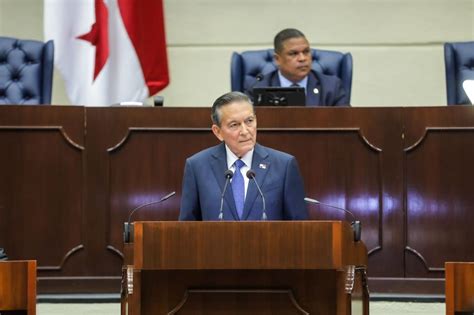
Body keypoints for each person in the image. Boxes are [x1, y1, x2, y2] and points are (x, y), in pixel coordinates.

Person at [179, 92, 308, 221]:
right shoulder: (197, 166)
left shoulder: (284, 165)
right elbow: (187, 227)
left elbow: (299, 226)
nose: (245, 131)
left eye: (249, 121)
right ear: (218, 132)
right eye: (234, 125)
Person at [245, 28, 349, 106]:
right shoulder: (257, 88)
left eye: (306, 52)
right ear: (277, 59)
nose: (302, 58)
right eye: (293, 53)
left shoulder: (331, 86)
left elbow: (346, 125)